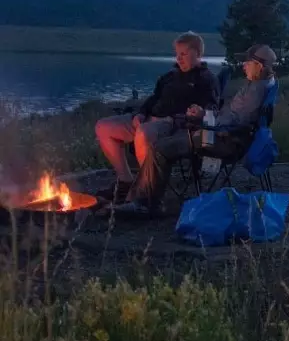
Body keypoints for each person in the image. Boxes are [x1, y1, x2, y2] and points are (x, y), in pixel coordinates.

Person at [113, 44, 277, 217]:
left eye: (247, 62)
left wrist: (204, 118)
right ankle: (142, 198)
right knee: (166, 143)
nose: (243, 65)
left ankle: (144, 203)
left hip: (224, 140)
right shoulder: (263, 84)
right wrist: (205, 114)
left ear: (259, 65)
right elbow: (232, 117)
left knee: (160, 148)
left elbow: (235, 122)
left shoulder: (256, 90)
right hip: (227, 134)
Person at [93, 32, 219, 203]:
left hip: (174, 125)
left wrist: (200, 112)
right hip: (149, 118)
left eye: (183, 54)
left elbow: (212, 108)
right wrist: (141, 113)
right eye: (177, 54)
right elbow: (154, 98)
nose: (178, 58)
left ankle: (146, 194)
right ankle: (126, 182)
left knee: (144, 133)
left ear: (197, 53)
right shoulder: (169, 76)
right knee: (103, 127)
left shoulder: (206, 79)